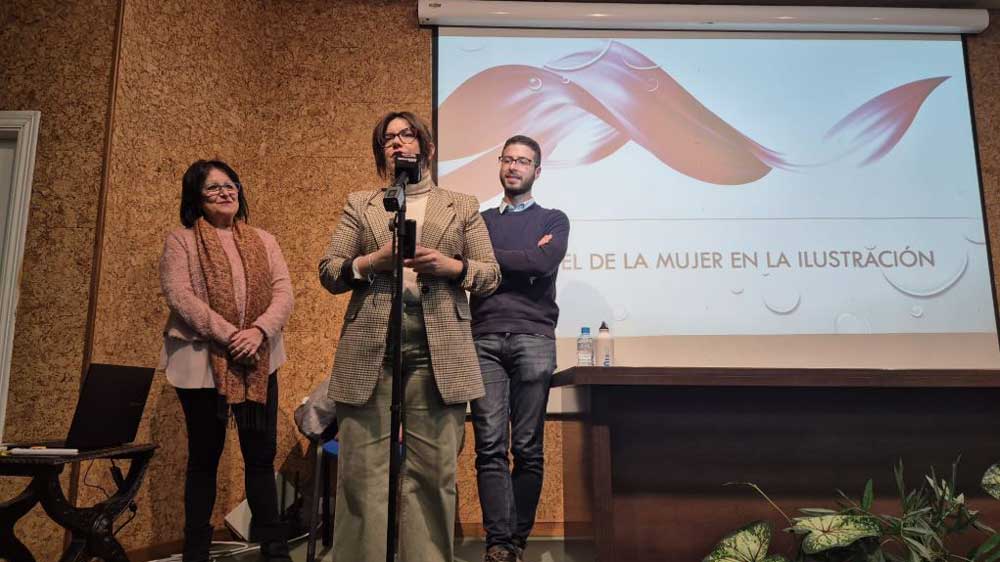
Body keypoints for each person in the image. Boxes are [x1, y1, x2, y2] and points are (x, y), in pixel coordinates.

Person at [319, 110, 500, 562]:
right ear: (381, 152)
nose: (398, 143)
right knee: (361, 474)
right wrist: (372, 262)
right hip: (370, 349)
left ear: (427, 146)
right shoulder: (361, 203)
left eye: (407, 135)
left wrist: (452, 268)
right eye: (388, 139)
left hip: (438, 350)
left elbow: (491, 275)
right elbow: (330, 271)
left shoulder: (461, 204)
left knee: (433, 472)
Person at [159, 160, 294, 562]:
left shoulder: (264, 240)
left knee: (260, 457)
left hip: (259, 360)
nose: (225, 192)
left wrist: (257, 332)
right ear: (195, 199)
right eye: (213, 188)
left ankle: (275, 551)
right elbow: (179, 296)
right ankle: (196, 551)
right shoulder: (180, 241)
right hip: (201, 364)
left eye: (230, 184)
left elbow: (284, 294)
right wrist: (231, 336)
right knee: (203, 459)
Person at [470, 135, 570, 562]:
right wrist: (521, 257)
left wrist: (494, 260)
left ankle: (517, 541)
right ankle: (499, 544)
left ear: (537, 171)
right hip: (484, 338)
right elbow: (480, 264)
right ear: (499, 165)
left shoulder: (554, 219)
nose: (514, 167)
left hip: (534, 338)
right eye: (508, 159)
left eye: (523, 161)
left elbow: (541, 263)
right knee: (489, 446)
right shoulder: (479, 220)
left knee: (527, 446)